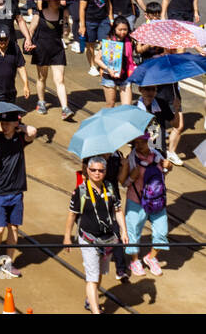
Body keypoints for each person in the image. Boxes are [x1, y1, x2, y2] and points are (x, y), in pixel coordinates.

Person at [63, 155, 128, 314]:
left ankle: (89, 300)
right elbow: (72, 215)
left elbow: (118, 211)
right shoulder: (80, 191)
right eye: (93, 170)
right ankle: (95, 311)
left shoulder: (110, 188)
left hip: (108, 239)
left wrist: (124, 231)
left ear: (105, 172)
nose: (97, 173)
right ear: (87, 171)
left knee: (99, 273)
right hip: (88, 239)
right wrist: (67, 237)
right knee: (92, 277)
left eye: (101, 170)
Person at [0, 114, 37, 280]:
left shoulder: (20, 138)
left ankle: (8, 263)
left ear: (15, 123)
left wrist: (21, 126)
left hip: (16, 191)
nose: (4, 126)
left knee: (13, 228)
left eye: (7, 123)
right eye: (2, 123)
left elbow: (33, 132)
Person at [120, 132, 170, 278]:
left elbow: (161, 175)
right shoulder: (131, 159)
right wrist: (131, 177)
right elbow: (124, 184)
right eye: (135, 143)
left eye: (141, 142)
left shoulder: (157, 155)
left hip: (157, 200)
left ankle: (151, 257)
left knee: (162, 231)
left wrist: (168, 168)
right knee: (133, 231)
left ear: (148, 141)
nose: (138, 145)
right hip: (136, 200)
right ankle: (135, 261)